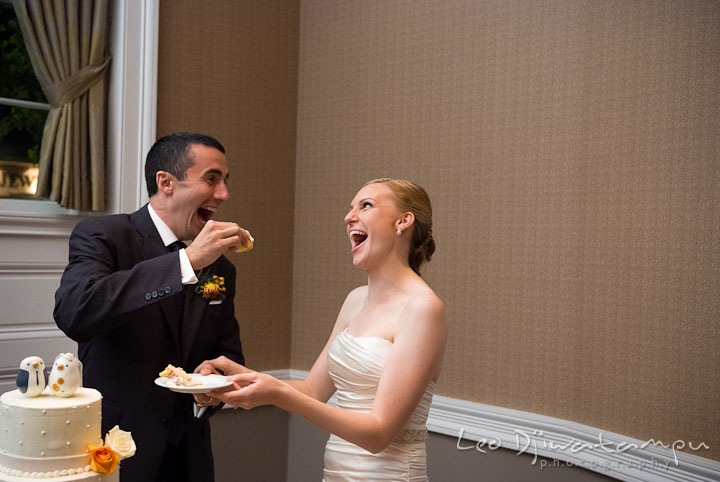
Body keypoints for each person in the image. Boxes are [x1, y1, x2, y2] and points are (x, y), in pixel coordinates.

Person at [197, 178, 447, 481]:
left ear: (403, 221)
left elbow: (378, 435)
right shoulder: (355, 300)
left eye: (365, 205)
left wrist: (278, 395)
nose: (349, 216)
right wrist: (236, 379)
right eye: (350, 208)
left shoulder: (422, 308)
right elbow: (313, 390)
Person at [54, 132, 251, 482]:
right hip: (113, 447)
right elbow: (75, 312)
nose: (224, 194)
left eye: (224, 181)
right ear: (166, 182)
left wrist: (213, 386)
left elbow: (227, 353)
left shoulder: (221, 267)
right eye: (211, 179)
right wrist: (184, 263)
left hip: (189, 452)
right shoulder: (103, 235)